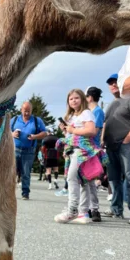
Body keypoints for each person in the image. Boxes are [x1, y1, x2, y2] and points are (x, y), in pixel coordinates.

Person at [54, 89, 105, 224]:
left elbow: (91, 131)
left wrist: (72, 130)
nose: (74, 101)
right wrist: (66, 131)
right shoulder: (72, 116)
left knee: (72, 178)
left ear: (82, 99)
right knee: (83, 181)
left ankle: (72, 210)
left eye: (76, 98)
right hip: (73, 150)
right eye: (71, 99)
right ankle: (83, 213)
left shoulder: (86, 113)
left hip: (82, 151)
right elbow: (72, 135)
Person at [102, 73, 130, 223]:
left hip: (125, 145)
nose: (113, 85)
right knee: (114, 180)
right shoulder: (111, 104)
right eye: (110, 83)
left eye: (116, 82)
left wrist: (128, 137)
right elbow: (105, 123)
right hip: (110, 147)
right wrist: (102, 140)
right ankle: (116, 209)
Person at [10, 101, 48, 200]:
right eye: (25, 111)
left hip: (29, 151)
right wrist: (12, 134)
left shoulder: (36, 120)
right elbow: (5, 132)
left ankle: (25, 193)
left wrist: (35, 136)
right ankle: (9, 192)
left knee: (26, 173)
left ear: (31, 110)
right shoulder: (14, 120)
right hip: (14, 149)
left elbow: (44, 133)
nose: (26, 113)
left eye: (29, 111)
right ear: (21, 110)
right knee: (11, 172)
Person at [85, 86, 105, 222]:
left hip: (92, 148)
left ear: (90, 97)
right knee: (84, 180)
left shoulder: (97, 111)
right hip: (84, 147)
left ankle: (95, 209)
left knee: (91, 180)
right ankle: (86, 208)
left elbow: (95, 131)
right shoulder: (89, 112)